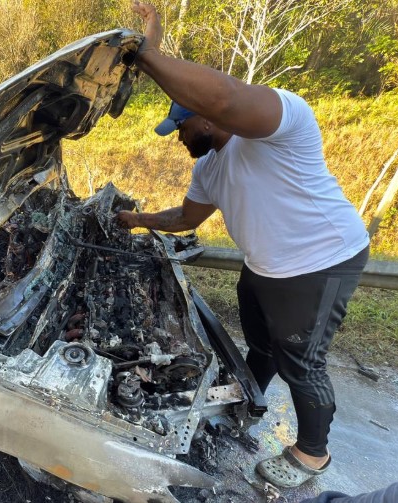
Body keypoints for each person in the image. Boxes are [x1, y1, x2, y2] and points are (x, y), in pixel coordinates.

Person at [117, 1, 370, 488]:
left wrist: (147, 53)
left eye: (182, 128)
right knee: (261, 344)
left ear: (206, 119)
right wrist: (137, 219)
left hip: (321, 261)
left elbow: (229, 98)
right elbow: (185, 217)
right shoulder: (208, 167)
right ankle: (248, 398)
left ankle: (311, 455)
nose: (179, 138)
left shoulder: (282, 126)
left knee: (301, 359)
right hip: (266, 266)